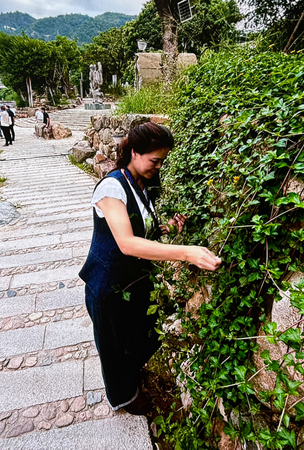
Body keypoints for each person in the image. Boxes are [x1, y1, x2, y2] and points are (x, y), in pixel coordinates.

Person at [78, 122, 221, 415]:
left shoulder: (142, 186)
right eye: (154, 160)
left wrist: (166, 227)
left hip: (134, 281)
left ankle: (129, 373)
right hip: (108, 284)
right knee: (113, 347)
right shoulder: (112, 187)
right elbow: (127, 243)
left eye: (162, 161)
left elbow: (142, 231)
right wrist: (186, 253)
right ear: (134, 152)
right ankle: (123, 396)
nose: (158, 167)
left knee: (146, 334)